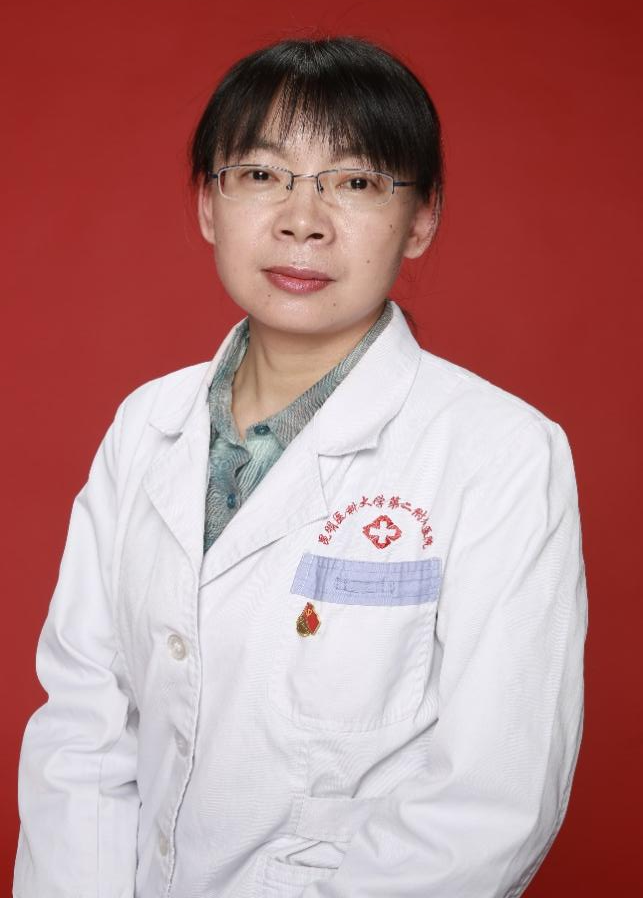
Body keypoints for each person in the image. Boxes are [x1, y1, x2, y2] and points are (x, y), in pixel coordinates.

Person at [13, 35, 588, 898]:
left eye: (354, 182)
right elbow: (83, 730)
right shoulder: (146, 425)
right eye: (260, 174)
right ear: (208, 205)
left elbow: (489, 803)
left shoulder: (501, 453)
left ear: (421, 219)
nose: (301, 220)